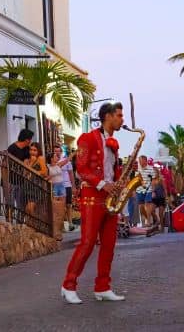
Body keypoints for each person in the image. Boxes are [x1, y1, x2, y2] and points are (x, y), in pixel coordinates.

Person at [61, 101, 126, 304]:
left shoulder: (114, 144)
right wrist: (102, 185)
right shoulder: (87, 138)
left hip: (110, 197)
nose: (121, 119)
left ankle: (103, 286)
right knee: (87, 242)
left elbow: (111, 171)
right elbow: (81, 168)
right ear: (107, 116)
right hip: (92, 195)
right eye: (119, 115)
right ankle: (68, 285)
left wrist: (120, 186)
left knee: (109, 245)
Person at [6, 128, 33, 219]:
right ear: (27, 140)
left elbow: (26, 163)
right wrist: (6, 181)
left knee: (21, 206)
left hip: (20, 181)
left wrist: (26, 175)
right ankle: (8, 225)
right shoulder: (12, 148)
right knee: (10, 205)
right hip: (10, 180)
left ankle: (19, 226)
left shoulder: (26, 149)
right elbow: (5, 165)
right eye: (30, 139)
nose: (30, 141)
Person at [24, 142, 47, 217]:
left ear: (38, 151)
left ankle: (35, 225)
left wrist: (34, 170)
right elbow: (24, 174)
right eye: (31, 150)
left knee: (31, 208)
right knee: (27, 209)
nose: (32, 152)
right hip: (27, 186)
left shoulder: (40, 158)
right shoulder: (27, 161)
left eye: (35, 150)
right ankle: (31, 226)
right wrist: (31, 163)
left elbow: (45, 172)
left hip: (36, 186)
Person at [47, 150, 66, 240]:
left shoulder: (58, 165)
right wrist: (49, 177)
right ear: (51, 158)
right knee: (55, 208)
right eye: (55, 156)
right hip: (54, 186)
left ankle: (60, 229)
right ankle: (56, 229)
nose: (57, 157)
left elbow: (67, 160)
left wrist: (73, 154)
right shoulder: (48, 167)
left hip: (61, 185)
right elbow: (46, 177)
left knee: (62, 207)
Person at [136, 155, 157, 228]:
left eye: (140, 160)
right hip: (139, 190)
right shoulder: (138, 170)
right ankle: (151, 217)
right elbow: (137, 180)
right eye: (139, 161)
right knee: (141, 208)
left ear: (145, 160)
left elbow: (153, 180)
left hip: (148, 190)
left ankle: (148, 221)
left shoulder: (151, 169)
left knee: (147, 204)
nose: (139, 162)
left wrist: (153, 191)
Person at [59, 146, 77, 231]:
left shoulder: (67, 162)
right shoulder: (53, 161)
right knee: (60, 206)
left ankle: (70, 223)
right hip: (58, 186)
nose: (57, 153)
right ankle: (61, 225)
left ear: (61, 152)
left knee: (68, 205)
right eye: (55, 151)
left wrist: (73, 186)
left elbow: (71, 174)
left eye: (58, 151)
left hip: (67, 185)